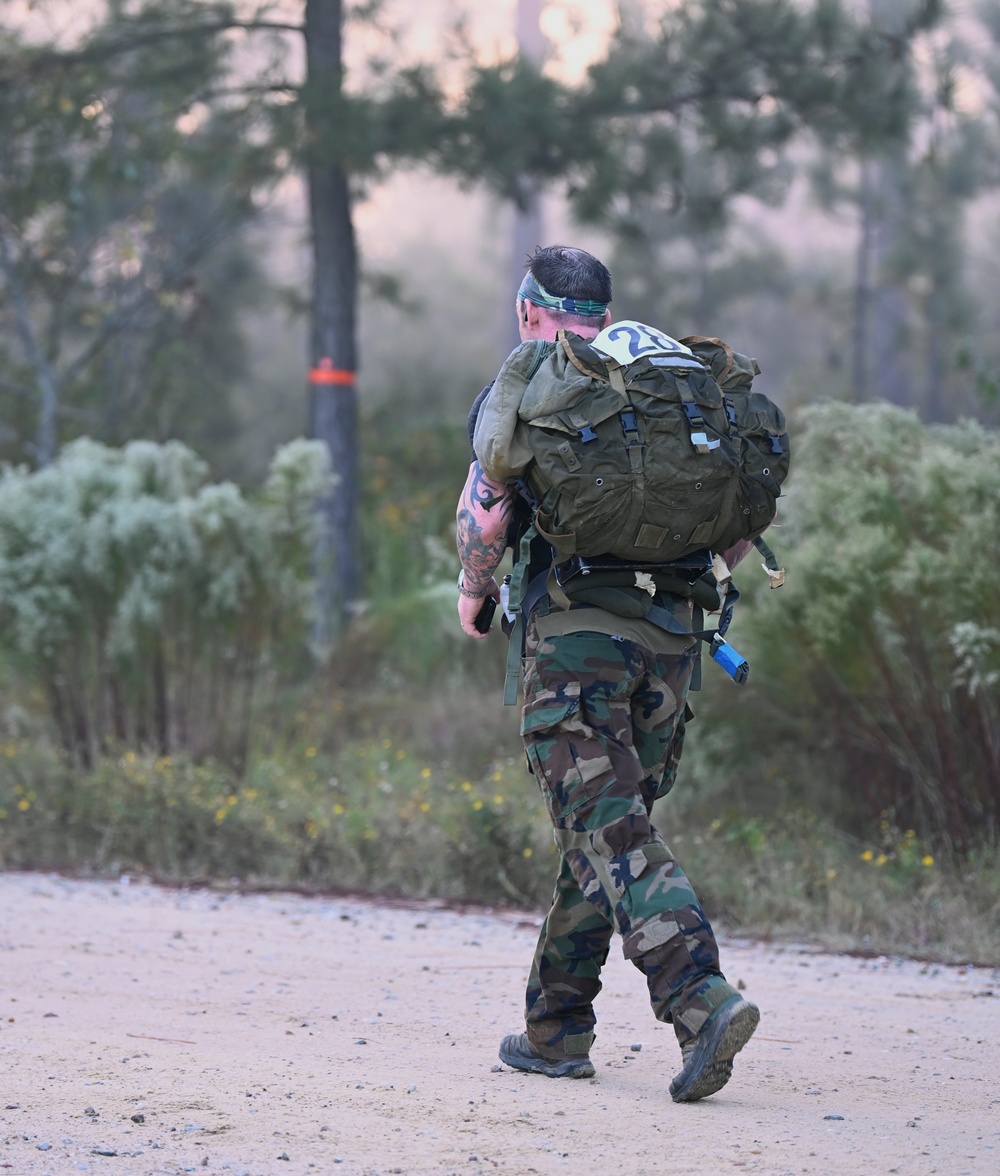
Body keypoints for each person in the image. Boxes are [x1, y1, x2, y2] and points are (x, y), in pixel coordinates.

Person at [454, 244, 760, 1103]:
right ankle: (555, 1029)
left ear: (530, 311)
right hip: (673, 647)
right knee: (600, 830)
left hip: (576, 649)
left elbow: (485, 519)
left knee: (611, 829)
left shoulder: (537, 387)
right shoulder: (665, 378)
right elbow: (735, 527)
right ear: (605, 311)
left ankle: (700, 998)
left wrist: (475, 596)